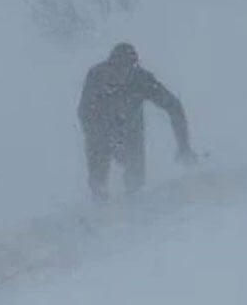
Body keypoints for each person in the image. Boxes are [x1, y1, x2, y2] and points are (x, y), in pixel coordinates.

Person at [78, 42, 196, 201]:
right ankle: (99, 203)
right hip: (99, 132)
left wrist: (184, 146)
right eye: (117, 68)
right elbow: (84, 111)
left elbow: (174, 107)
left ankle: (135, 207)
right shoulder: (97, 76)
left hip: (131, 133)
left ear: (134, 67)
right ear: (110, 65)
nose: (121, 73)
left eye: (127, 67)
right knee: (98, 179)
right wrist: (101, 136)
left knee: (136, 182)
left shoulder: (142, 80)